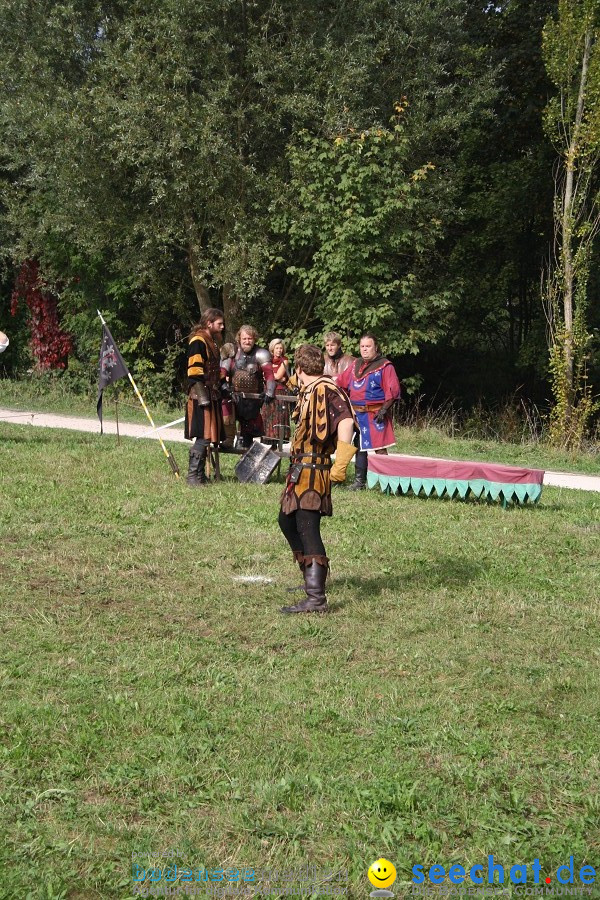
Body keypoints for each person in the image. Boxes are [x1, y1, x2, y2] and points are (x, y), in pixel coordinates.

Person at [279, 344, 357, 614]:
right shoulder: (309, 389)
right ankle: (309, 578)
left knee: (307, 526)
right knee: (286, 520)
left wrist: (342, 462)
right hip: (301, 468)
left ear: (300, 369)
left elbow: (346, 422)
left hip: (315, 469)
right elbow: (284, 380)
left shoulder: (325, 388)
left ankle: (316, 598)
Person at [336, 332, 401, 490]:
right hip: (357, 414)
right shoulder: (356, 364)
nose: (364, 349)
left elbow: (392, 390)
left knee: (380, 449)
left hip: (375, 413)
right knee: (359, 447)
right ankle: (359, 482)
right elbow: (341, 382)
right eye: (362, 346)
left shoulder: (385, 366)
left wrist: (384, 410)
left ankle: (392, 484)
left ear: (376, 347)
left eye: (368, 346)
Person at [184, 308, 226, 486]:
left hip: (212, 393)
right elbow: (194, 372)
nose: (222, 327)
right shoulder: (198, 341)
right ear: (209, 323)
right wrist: (203, 398)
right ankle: (193, 476)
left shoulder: (212, 342)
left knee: (208, 435)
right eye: (219, 323)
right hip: (201, 396)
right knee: (203, 435)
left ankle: (200, 475)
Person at [232, 325, 276, 447]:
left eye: (250, 338)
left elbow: (269, 375)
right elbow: (223, 372)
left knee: (248, 434)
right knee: (230, 426)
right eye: (244, 338)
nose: (247, 341)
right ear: (239, 339)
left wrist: (270, 391)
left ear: (254, 339)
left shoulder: (261, 353)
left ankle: (246, 456)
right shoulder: (234, 353)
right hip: (235, 397)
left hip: (253, 400)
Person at [261, 338, 291, 444]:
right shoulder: (267, 360)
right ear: (272, 349)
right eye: (277, 348)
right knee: (267, 415)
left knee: (279, 416)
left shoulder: (285, 360)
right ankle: (267, 437)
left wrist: (268, 375)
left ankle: (279, 438)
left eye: (281, 348)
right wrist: (271, 376)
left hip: (279, 392)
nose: (279, 350)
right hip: (268, 391)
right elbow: (263, 375)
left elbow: (278, 376)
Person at [219, 342, 237, 450]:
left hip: (231, 391)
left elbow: (222, 373)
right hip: (224, 392)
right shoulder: (224, 360)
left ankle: (229, 440)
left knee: (228, 417)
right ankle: (226, 439)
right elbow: (222, 374)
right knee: (226, 416)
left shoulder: (228, 360)